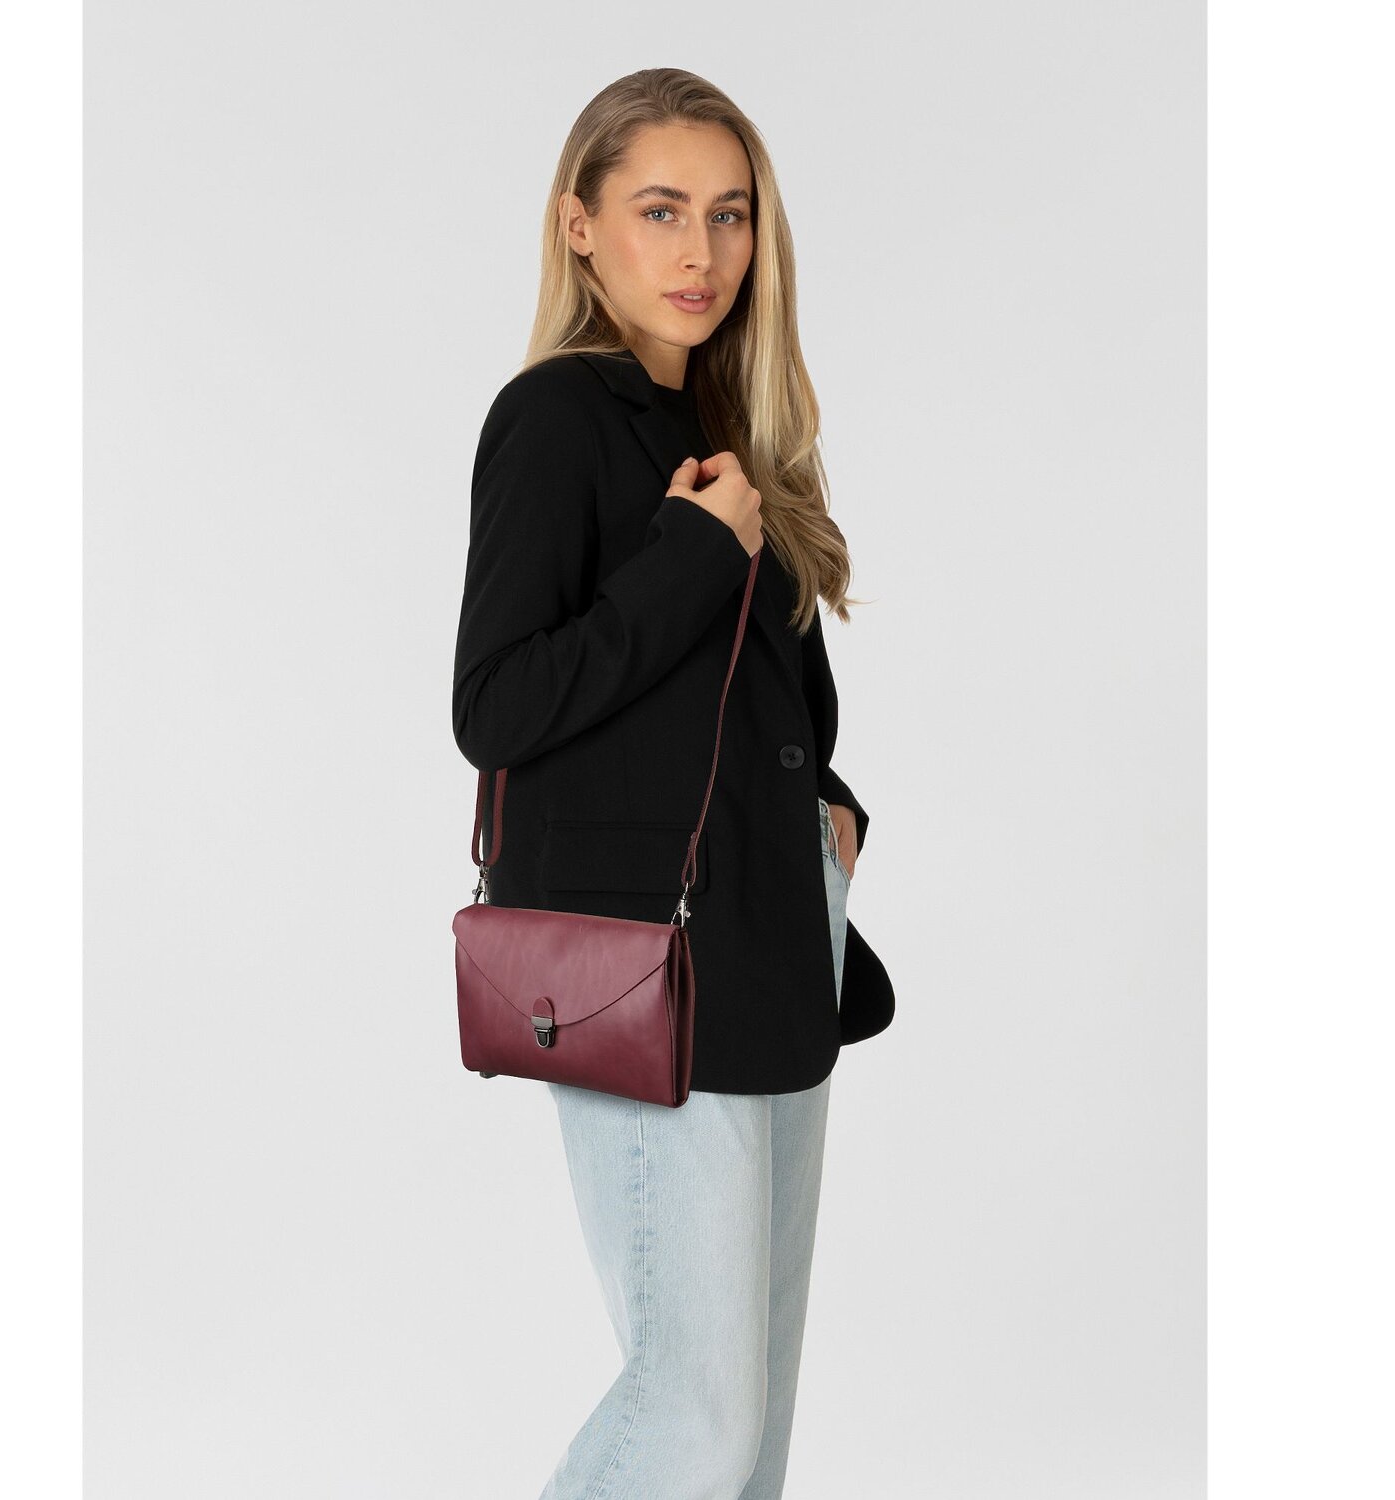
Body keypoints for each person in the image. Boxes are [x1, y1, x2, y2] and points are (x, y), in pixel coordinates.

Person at [451, 67, 895, 1500]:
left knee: (749, 1430)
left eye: (729, 214)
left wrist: (830, 812)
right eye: (660, 210)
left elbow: (751, 703)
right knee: (692, 1412)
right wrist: (694, 556)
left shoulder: (724, 424)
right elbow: (496, 704)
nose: (701, 251)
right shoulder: (556, 418)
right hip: (645, 955)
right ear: (579, 226)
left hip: (777, 931)